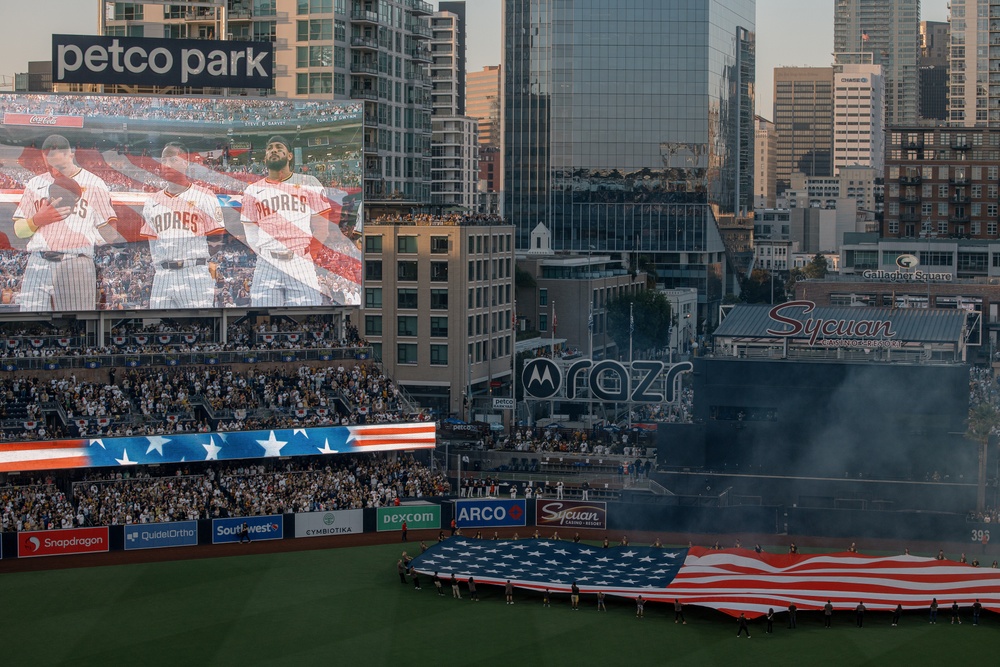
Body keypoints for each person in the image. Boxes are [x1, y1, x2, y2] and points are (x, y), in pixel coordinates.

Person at [13, 134, 122, 312]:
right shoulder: (35, 183)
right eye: (49, 166)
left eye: (59, 166)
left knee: (77, 323)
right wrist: (37, 220)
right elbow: (19, 231)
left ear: (70, 155)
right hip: (38, 262)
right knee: (29, 321)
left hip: (75, 263)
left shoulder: (94, 183)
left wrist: (85, 238)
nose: (54, 171)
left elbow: (110, 233)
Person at [240, 135, 351, 307]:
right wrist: (266, 253)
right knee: (262, 314)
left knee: (307, 313)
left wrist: (307, 256)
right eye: (270, 148)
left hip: (300, 260)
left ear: (290, 155)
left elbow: (322, 228)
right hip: (267, 263)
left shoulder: (309, 183)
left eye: (279, 147)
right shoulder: (252, 190)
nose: (274, 150)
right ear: (265, 157)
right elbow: (251, 234)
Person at [139, 142, 226, 309]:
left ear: (185, 162)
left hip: (193, 272)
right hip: (163, 275)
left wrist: (196, 258)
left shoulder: (204, 195)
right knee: (155, 327)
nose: (167, 165)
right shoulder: (152, 201)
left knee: (197, 327)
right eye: (164, 160)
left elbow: (217, 237)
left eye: (172, 159)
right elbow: (152, 243)